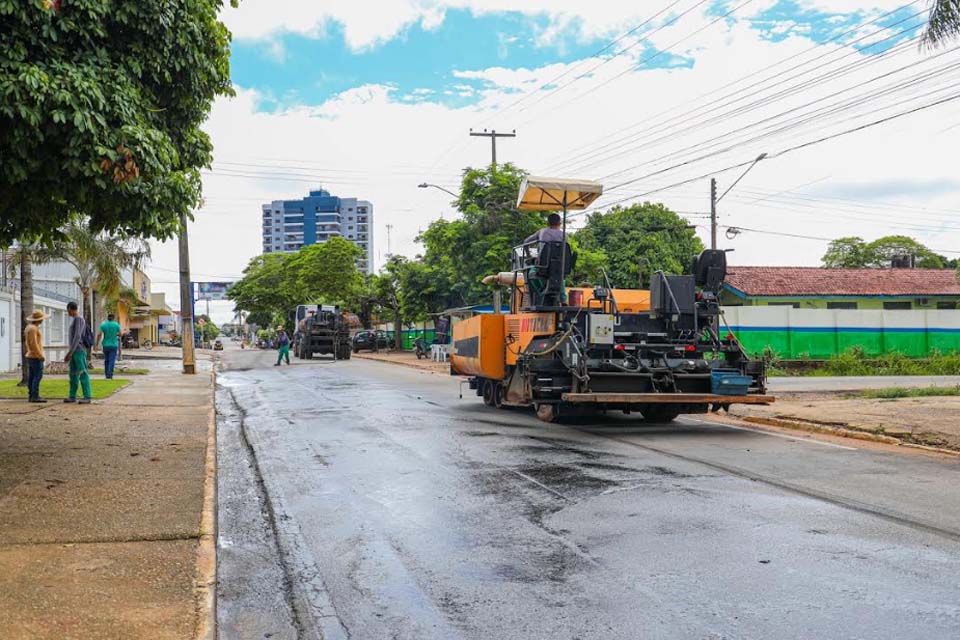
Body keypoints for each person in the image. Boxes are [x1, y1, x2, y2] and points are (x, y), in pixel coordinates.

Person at [64, 301, 93, 404]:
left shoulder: (78, 319)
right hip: (74, 350)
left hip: (78, 350)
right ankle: (72, 395)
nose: (68, 313)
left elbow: (77, 336)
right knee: (73, 374)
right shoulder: (76, 320)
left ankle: (87, 395)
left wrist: (70, 352)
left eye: (68, 311)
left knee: (82, 372)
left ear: (71, 309)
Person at [24, 309, 49, 403]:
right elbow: (33, 344)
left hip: (30, 355)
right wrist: (39, 355)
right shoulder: (33, 329)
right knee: (37, 376)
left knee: (32, 376)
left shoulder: (29, 327)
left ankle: (31, 394)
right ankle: (35, 395)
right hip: (34, 356)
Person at [97, 313, 122, 379]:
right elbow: (120, 334)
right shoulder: (116, 325)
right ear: (113, 318)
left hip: (105, 345)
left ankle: (106, 374)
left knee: (106, 360)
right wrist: (115, 334)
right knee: (112, 360)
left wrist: (96, 344)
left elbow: (99, 334)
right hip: (114, 345)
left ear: (108, 318)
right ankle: (110, 374)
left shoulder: (103, 325)